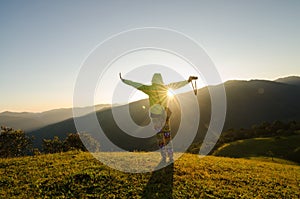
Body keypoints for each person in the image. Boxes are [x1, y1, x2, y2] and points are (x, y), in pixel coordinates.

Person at [120, 73, 195, 163]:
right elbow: (177, 84)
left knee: (160, 137)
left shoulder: (149, 89)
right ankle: (171, 157)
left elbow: (135, 84)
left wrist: (124, 80)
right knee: (167, 136)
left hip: (155, 117)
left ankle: (163, 156)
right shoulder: (165, 88)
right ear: (161, 80)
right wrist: (188, 81)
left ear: (153, 80)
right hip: (165, 116)